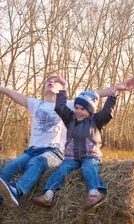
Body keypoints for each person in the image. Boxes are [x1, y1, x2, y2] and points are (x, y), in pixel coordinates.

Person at [0, 73, 134, 224]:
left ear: (60, 90)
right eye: (48, 80)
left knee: (38, 162)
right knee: (7, 169)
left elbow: (98, 94)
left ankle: (18, 191)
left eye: (55, 81)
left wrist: (123, 85)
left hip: (53, 152)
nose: (51, 81)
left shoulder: (71, 106)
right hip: (31, 149)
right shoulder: (35, 104)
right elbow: (6, 91)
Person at [31, 76, 117, 210]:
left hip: (90, 156)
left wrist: (113, 96)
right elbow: (60, 107)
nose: (78, 111)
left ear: (90, 111)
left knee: (89, 169)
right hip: (72, 157)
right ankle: (48, 195)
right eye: (76, 108)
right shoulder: (70, 119)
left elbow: (107, 113)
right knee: (61, 171)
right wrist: (64, 88)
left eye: (83, 109)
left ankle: (95, 193)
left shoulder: (95, 121)